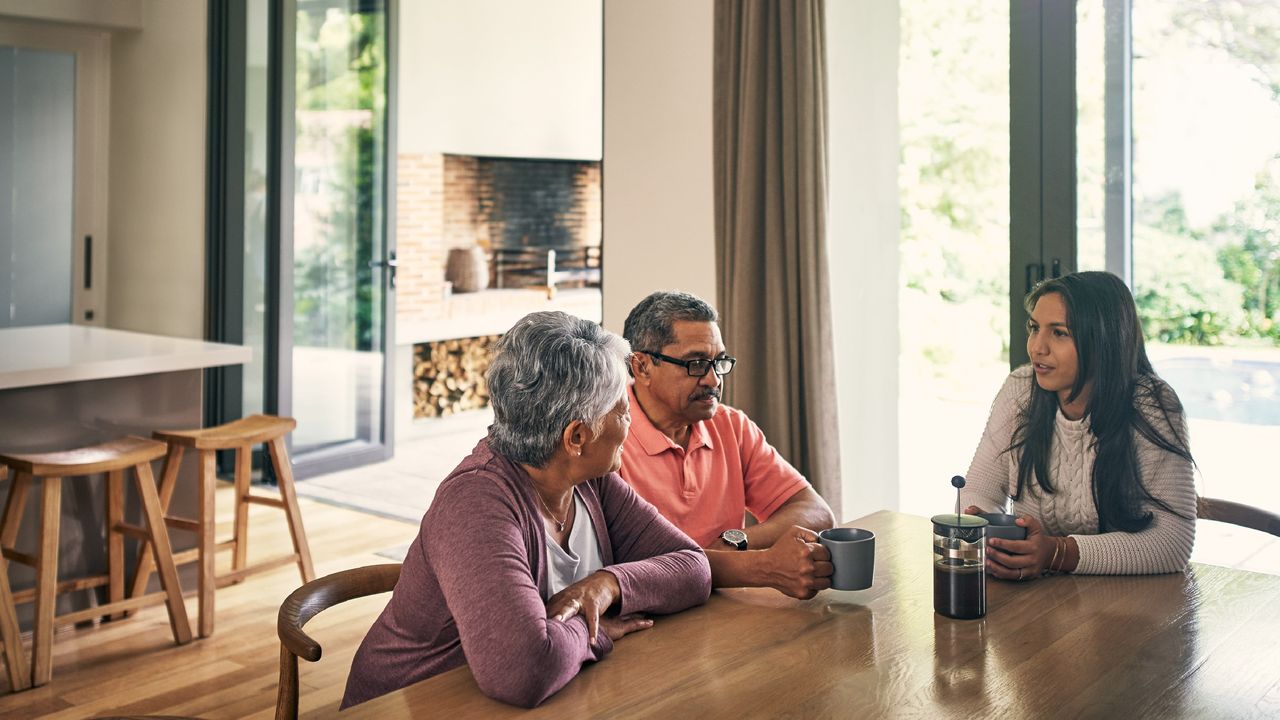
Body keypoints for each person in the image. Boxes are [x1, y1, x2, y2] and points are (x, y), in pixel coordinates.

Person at [342, 312, 712, 708]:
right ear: (577, 437)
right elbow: (523, 670)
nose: (630, 422)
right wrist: (595, 631)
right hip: (408, 706)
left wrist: (605, 586)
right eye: (622, 410)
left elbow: (693, 567)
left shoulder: (591, 481)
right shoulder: (474, 504)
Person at [961, 271, 1196, 579]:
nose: (1037, 348)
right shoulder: (1021, 388)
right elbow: (977, 491)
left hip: (1129, 606)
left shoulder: (1150, 403)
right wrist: (991, 530)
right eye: (1034, 328)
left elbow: (1172, 543)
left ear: (1104, 340)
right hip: (1039, 597)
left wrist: (1057, 552)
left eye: (1059, 333)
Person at [619, 291, 836, 600]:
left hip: (729, 611)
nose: (713, 380)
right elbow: (632, 566)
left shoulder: (730, 426)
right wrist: (760, 566)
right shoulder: (607, 439)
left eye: (718, 363)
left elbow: (815, 511)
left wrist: (738, 541)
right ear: (641, 367)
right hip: (651, 623)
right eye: (695, 364)